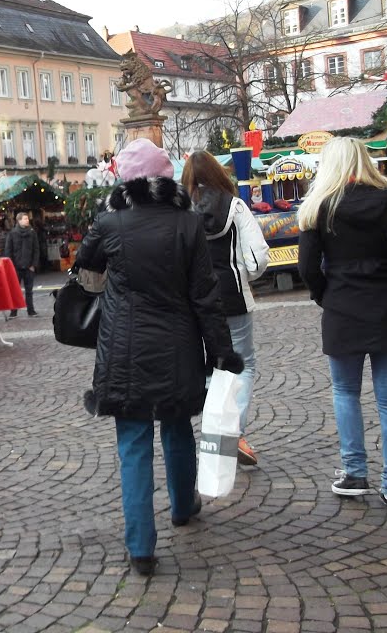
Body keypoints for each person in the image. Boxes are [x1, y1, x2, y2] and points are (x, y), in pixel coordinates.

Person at [73, 138, 241, 577]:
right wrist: (223, 351)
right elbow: (206, 295)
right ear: (166, 178)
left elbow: (83, 266)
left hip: (123, 349)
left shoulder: (109, 223)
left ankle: (141, 549)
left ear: (124, 180)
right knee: (178, 426)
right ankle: (184, 506)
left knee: (132, 446)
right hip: (177, 345)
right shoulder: (187, 223)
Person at [298, 137, 387, 515]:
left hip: (343, 308)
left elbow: (306, 268)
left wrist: (324, 294)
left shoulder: (320, 207)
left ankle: (355, 473)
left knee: (346, 394)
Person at [181, 150, 271, 466]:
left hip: (193, 300)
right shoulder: (235, 206)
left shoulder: (179, 210)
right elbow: (258, 256)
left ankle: (216, 434)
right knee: (242, 364)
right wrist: (245, 274)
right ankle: (231, 433)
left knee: (209, 366)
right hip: (231, 294)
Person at [4, 212, 39, 317]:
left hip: (29, 266)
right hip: (16, 267)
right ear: (19, 221)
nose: (27, 220)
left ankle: (31, 310)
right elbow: (8, 251)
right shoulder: (12, 233)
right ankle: (13, 311)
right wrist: (11, 266)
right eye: (25, 219)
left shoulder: (32, 233)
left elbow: (36, 249)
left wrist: (33, 264)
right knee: (14, 290)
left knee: (29, 290)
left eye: (27, 219)